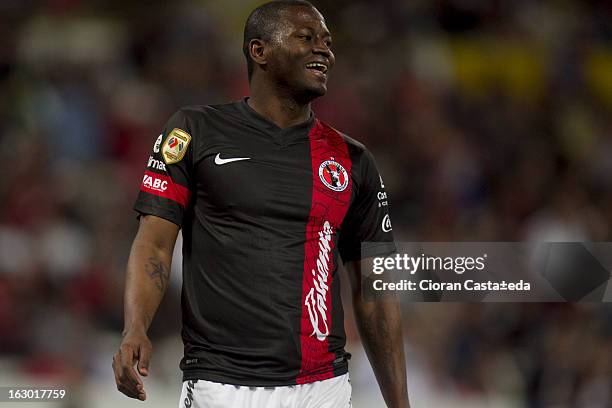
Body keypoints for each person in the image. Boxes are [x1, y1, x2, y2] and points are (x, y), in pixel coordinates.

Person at [112, 1, 409, 407]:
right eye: (307, 38)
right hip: (221, 386)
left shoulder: (352, 160)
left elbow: (375, 291)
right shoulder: (195, 131)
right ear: (259, 51)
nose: (324, 50)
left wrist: (399, 403)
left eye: (327, 41)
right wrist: (135, 328)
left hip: (324, 388)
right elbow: (155, 243)